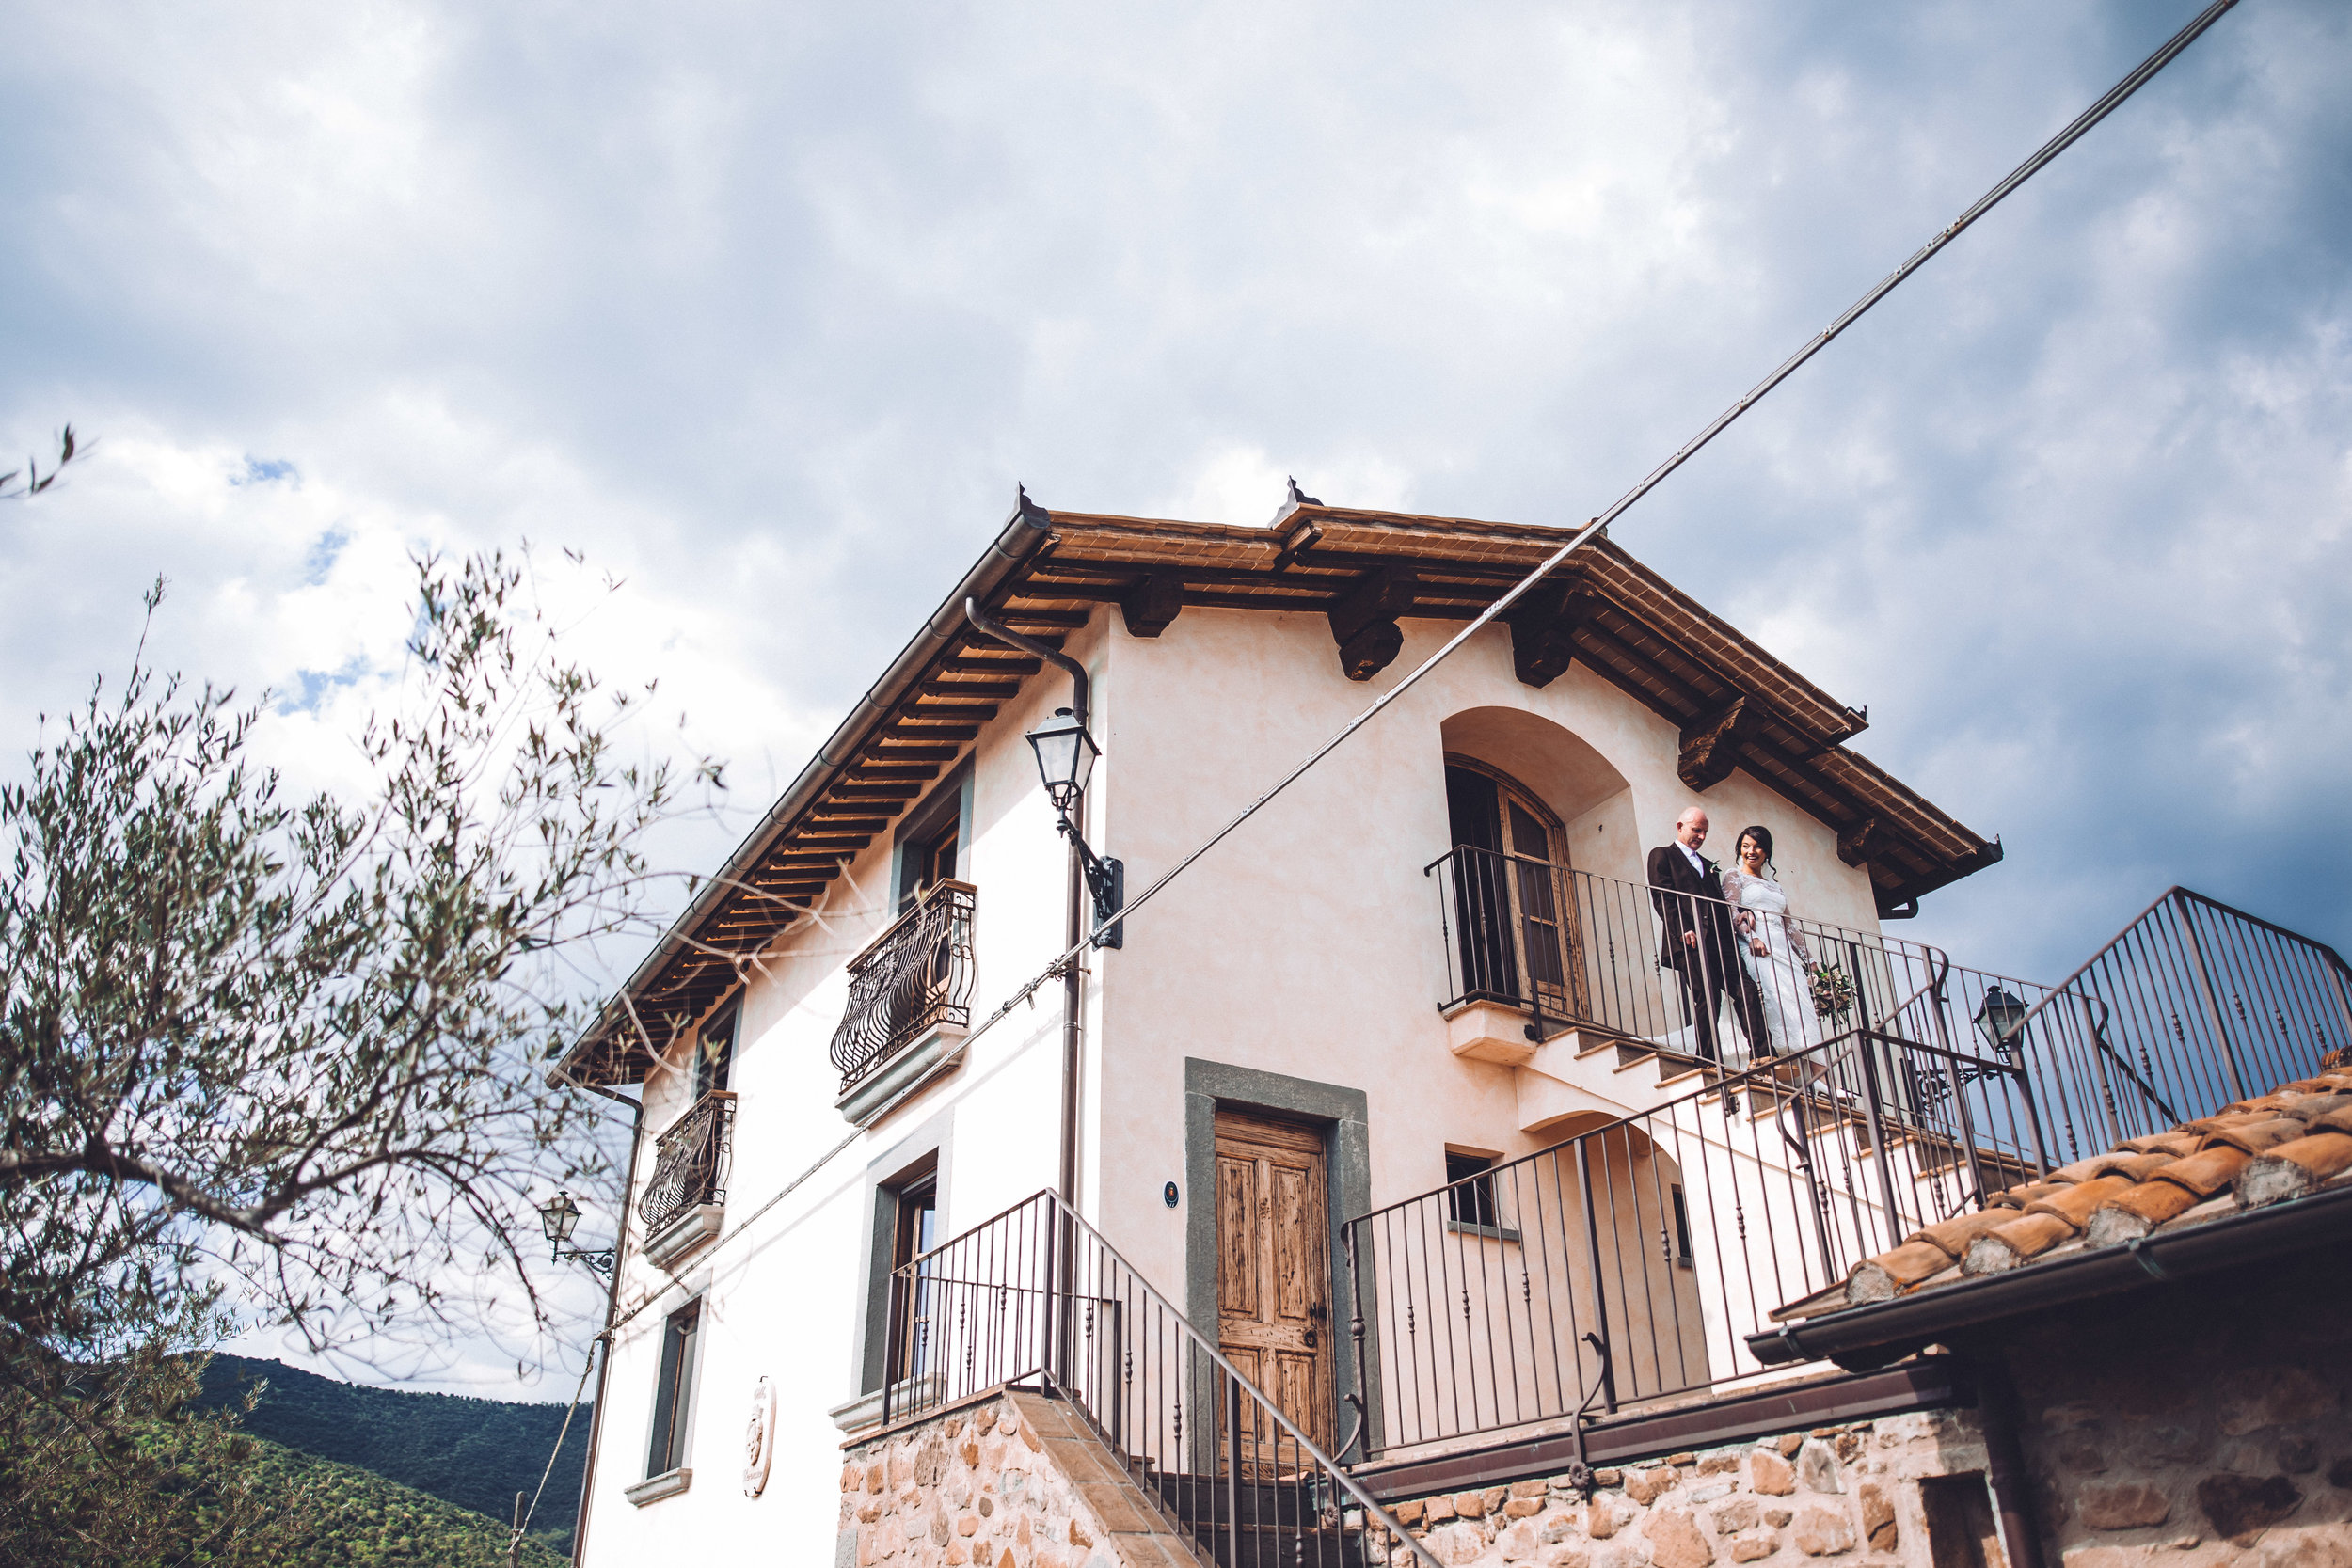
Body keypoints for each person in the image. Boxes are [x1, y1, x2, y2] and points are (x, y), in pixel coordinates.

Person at [1646, 807, 1768, 1067]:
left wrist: (1740, 916)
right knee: (1709, 995)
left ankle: (1763, 1053)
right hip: (1688, 941)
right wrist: (1682, 929)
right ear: (1680, 827)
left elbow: (1721, 902)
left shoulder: (1708, 865)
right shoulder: (1662, 855)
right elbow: (1663, 897)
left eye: (1704, 832)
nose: (1701, 836)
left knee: (1746, 990)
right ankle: (1707, 1059)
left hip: (1721, 942)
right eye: (1696, 830)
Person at [1722, 824, 1820, 1058]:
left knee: (1801, 1006)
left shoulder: (1776, 887)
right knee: (1774, 1001)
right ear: (1739, 849)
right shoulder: (1734, 876)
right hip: (1758, 949)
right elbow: (1732, 911)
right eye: (1746, 846)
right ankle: (1782, 1057)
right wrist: (1752, 937)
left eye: (1757, 847)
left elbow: (1790, 926)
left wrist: (1811, 960)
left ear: (1767, 852)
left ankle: (1813, 1070)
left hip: (1783, 950)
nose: (1751, 851)